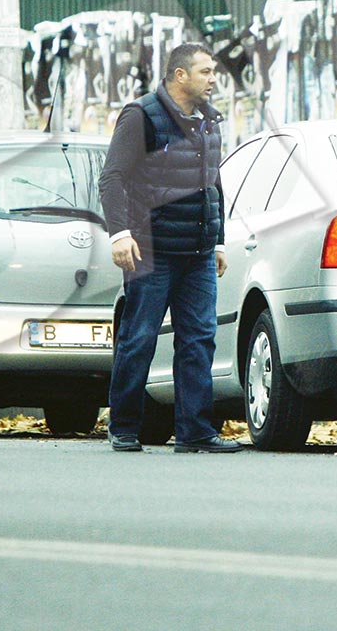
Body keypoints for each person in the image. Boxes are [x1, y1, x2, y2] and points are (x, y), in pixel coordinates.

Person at [100, 42, 241, 453]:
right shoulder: (142, 116)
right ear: (180, 76)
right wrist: (119, 233)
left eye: (213, 72)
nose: (213, 79)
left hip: (197, 253)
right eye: (205, 72)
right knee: (139, 337)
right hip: (150, 249)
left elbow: (212, 183)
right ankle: (124, 425)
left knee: (199, 338)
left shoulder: (208, 121)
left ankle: (194, 430)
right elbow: (112, 179)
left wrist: (218, 240)